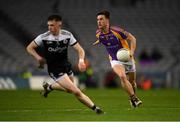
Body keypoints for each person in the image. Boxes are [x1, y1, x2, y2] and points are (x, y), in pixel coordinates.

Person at [26, 14, 104, 114]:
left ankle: (49, 87)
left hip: (66, 65)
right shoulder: (43, 37)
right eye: (48, 25)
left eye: (52, 25)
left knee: (69, 90)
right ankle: (96, 109)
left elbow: (80, 50)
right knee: (76, 91)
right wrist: (38, 57)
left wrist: (81, 61)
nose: (50, 27)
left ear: (59, 24)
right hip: (55, 69)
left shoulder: (67, 35)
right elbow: (29, 47)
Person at [93, 10, 142, 107]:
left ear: (107, 20)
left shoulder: (117, 31)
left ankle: (132, 97)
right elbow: (102, 38)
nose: (99, 21)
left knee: (132, 82)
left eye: (101, 19)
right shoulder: (98, 33)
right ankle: (134, 98)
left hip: (127, 58)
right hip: (115, 60)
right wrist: (98, 41)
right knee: (122, 77)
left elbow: (133, 39)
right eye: (97, 19)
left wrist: (131, 52)